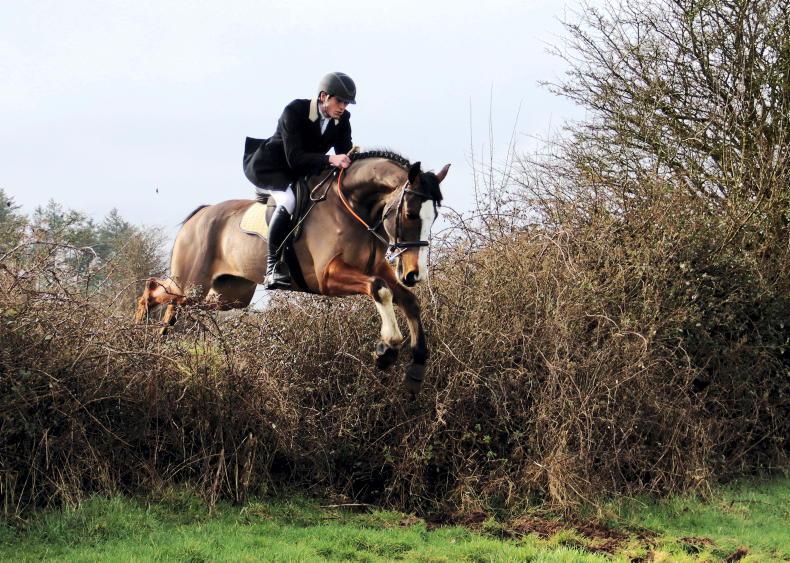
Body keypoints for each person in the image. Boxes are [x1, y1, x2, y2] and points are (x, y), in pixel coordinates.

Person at [243, 72, 356, 289]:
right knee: (288, 201)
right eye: (340, 101)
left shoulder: (342, 119)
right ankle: (272, 268)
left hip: (303, 169)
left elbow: (344, 151)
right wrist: (330, 159)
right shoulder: (294, 111)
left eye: (347, 103)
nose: (343, 107)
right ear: (323, 96)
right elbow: (294, 158)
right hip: (272, 167)